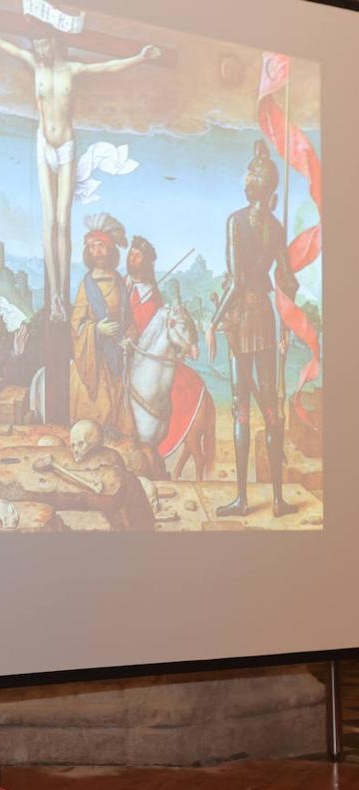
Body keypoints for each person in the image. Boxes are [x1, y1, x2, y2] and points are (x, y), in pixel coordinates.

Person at [0, 0, 159, 322]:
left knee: (63, 221)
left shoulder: (72, 70)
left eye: (45, 45)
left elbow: (108, 66)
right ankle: (55, 295)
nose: (41, 51)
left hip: (66, 145)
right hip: (44, 142)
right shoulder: (35, 65)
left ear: (55, 43)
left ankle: (62, 291)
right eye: (37, 46)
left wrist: (140, 58)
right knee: (48, 222)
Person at [207, 141, 297, 517]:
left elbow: (235, 282)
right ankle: (276, 500)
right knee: (271, 409)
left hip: (241, 321)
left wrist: (213, 324)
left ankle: (244, 499)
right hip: (266, 320)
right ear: (271, 191)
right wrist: (288, 322)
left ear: (252, 187)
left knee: (241, 409)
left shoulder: (235, 221)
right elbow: (287, 281)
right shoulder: (276, 227)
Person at [124, 237, 208, 470]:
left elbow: (156, 331)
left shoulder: (154, 295)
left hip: (145, 352)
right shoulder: (122, 286)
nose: (132, 258)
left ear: (146, 263)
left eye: (137, 256)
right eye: (131, 254)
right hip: (122, 349)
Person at [69, 213, 137, 437]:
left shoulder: (119, 282)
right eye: (92, 247)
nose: (97, 252)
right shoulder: (86, 285)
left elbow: (130, 322)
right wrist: (95, 330)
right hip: (92, 364)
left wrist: (129, 339)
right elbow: (76, 325)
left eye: (102, 246)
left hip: (116, 359)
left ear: (111, 250)